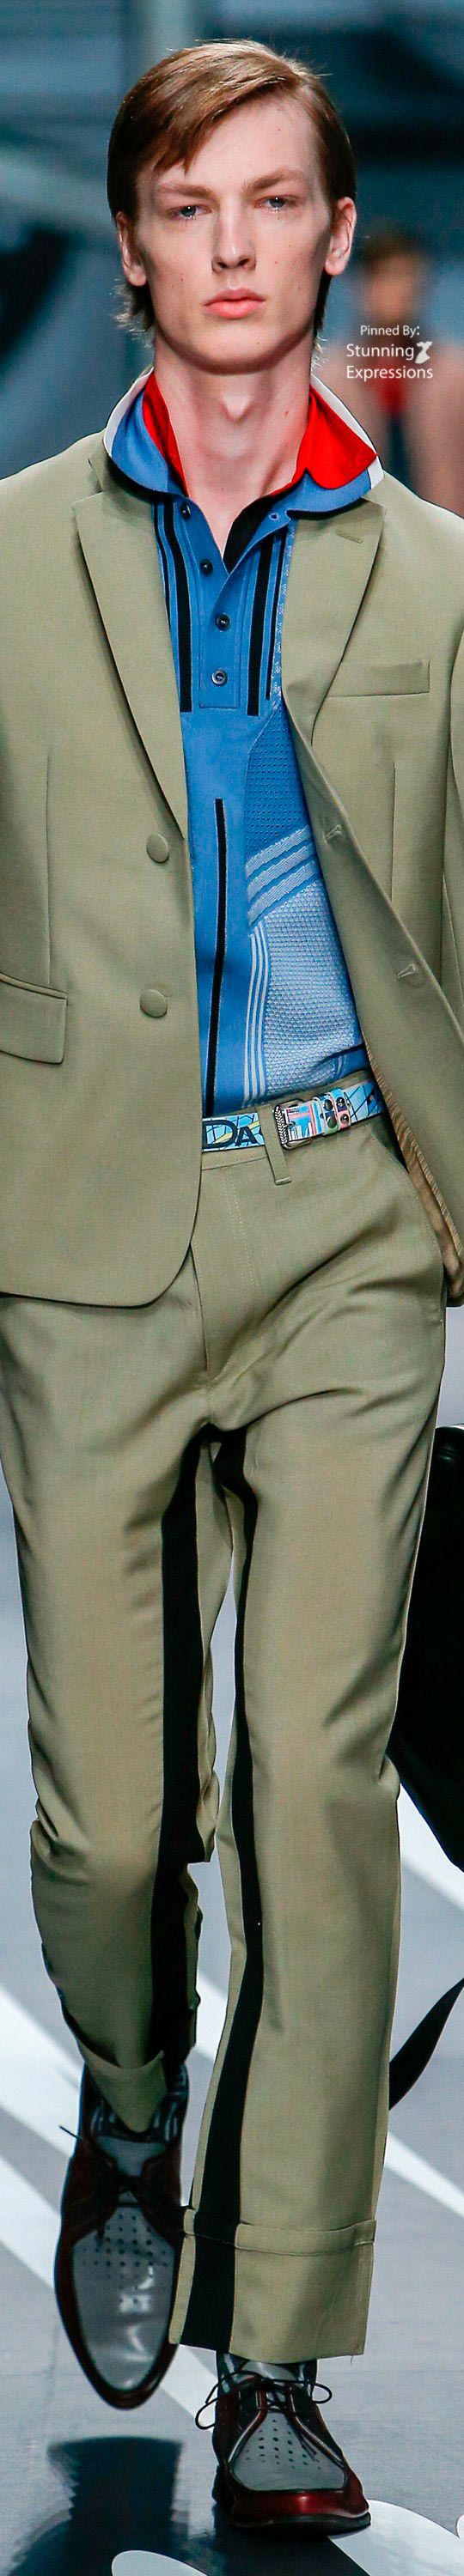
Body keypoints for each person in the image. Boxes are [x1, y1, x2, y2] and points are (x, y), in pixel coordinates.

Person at [1, 33, 464, 2541]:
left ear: (331, 238)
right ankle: (131, 2105)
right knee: (106, 1825)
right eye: (191, 205)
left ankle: (271, 2350)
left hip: (347, 1230)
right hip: (81, 1231)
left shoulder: (438, 586)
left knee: (316, 1783)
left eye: (279, 201)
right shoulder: (5, 563)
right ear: (140, 250)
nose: (237, 246)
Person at [316, 221, 464, 513]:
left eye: (409, 276)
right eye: (387, 277)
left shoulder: (454, 375)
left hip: (443, 529)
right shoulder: (329, 382)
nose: (400, 290)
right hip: (359, 529)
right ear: (362, 286)